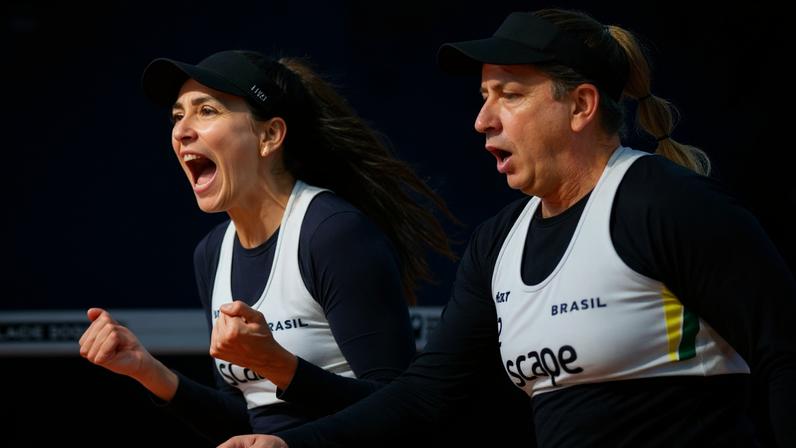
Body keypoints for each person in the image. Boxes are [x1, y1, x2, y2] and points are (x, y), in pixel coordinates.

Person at [218, 8, 796, 448]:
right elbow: (427, 397)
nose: (482, 119)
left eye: (510, 95)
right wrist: (289, 442)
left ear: (581, 105)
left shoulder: (665, 204)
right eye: (483, 96)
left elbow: (784, 354)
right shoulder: (500, 241)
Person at [77, 49, 457, 445]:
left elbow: (402, 414)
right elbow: (251, 422)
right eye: (177, 115)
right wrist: (147, 370)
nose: (182, 130)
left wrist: (280, 366)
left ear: (270, 136)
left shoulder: (331, 232)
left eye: (206, 111)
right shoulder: (211, 254)